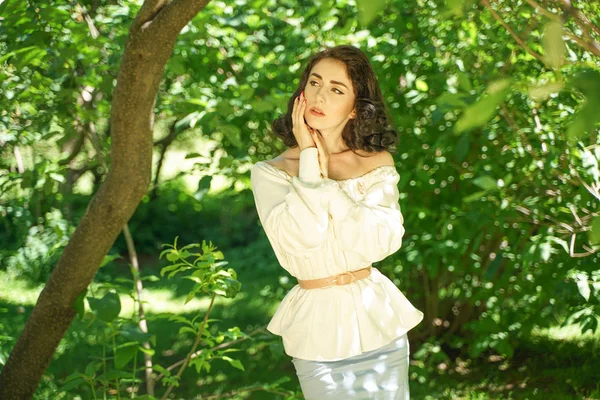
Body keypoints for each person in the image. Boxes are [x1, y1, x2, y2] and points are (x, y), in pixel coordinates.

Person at [250, 45, 424, 399]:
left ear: (355, 109)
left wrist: (329, 192)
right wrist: (310, 160)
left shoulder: (375, 162)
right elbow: (302, 239)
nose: (319, 95)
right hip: (317, 331)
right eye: (314, 83)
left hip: (379, 322)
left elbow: (381, 242)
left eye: (336, 89)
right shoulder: (271, 173)